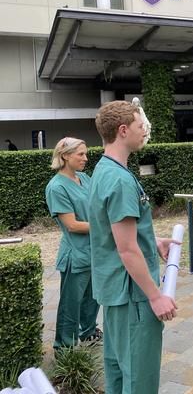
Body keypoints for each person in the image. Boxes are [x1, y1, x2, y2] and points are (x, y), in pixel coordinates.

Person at [89, 101, 178, 394]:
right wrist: (156, 297)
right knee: (139, 378)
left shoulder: (103, 170)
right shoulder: (119, 179)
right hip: (133, 297)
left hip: (115, 291)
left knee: (117, 370)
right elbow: (126, 250)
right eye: (141, 127)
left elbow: (113, 232)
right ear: (123, 130)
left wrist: (152, 241)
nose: (144, 132)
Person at [45, 137, 101, 350]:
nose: (85, 158)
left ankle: (88, 332)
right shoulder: (56, 187)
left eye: (85, 153)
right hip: (76, 254)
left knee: (93, 297)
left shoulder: (84, 178)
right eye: (80, 154)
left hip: (94, 251)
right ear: (65, 155)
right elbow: (71, 225)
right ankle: (64, 347)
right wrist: (105, 227)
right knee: (71, 304)